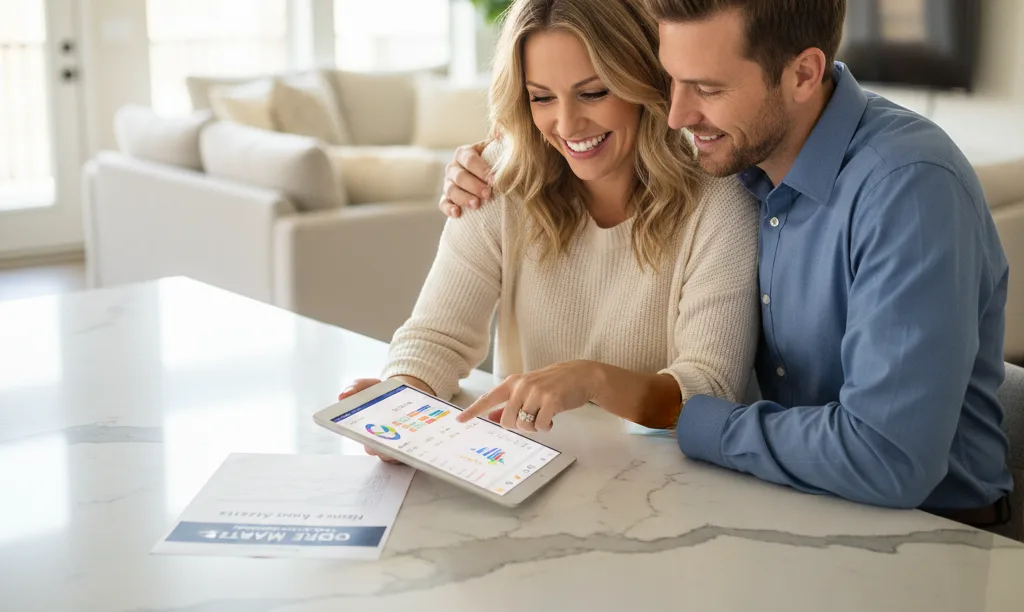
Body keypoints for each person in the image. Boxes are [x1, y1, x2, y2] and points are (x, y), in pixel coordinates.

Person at [440, 0, 1018, 539]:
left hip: (932, 538)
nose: (676, 115)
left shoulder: (908, 190)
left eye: (708, 88)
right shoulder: (746, 158)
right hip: (782, 506)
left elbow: (886, 460)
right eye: (672, 80)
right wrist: (505, 149)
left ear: (803, 74)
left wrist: (696, 419)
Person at [339, 0, 760, 455]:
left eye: (593, 92)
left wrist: (592, 379)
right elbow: (437, 338)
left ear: (646, 80)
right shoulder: (496, 180)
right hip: (523, 465)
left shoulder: (719, 199)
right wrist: (402, 397)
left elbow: (711, 389)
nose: (567, 125)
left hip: (665, 476)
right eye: (541, 97)